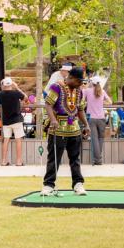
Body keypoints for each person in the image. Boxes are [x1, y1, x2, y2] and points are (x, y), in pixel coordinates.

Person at [41, 66, 90, 196]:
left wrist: (86, 125)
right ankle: (48, 185)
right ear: (72, 78)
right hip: (57, 130)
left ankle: (78, 184)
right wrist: (53, 120)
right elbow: (48, 104)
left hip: (74, 129)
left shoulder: (79, 91)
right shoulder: (56, 87)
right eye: (79, 81)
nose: (81, 84)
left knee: (75, 159)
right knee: (54, 159)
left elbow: (80, 109)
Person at [83, 75, 111, 165]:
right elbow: (110, 102)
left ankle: (98, 160)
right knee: (101, 138)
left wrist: (88, 102)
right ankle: (98, 158)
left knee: (94, 138)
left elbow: (81, 101)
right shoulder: (102, 91)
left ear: (92, 83)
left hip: (92, 118)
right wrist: (101, 102)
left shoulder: (87, 91)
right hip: (102, 118)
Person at [0, 78, 25, 166]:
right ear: (11, 84)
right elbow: (26, 98)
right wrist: (17, 87)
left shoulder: (1, 94)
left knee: (6, 140)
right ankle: (18, 161)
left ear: (4, 85)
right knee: (18, 140)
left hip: (6, 121)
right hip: (16, 119)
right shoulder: (16, 93)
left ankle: (3, 161)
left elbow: (2, 90)